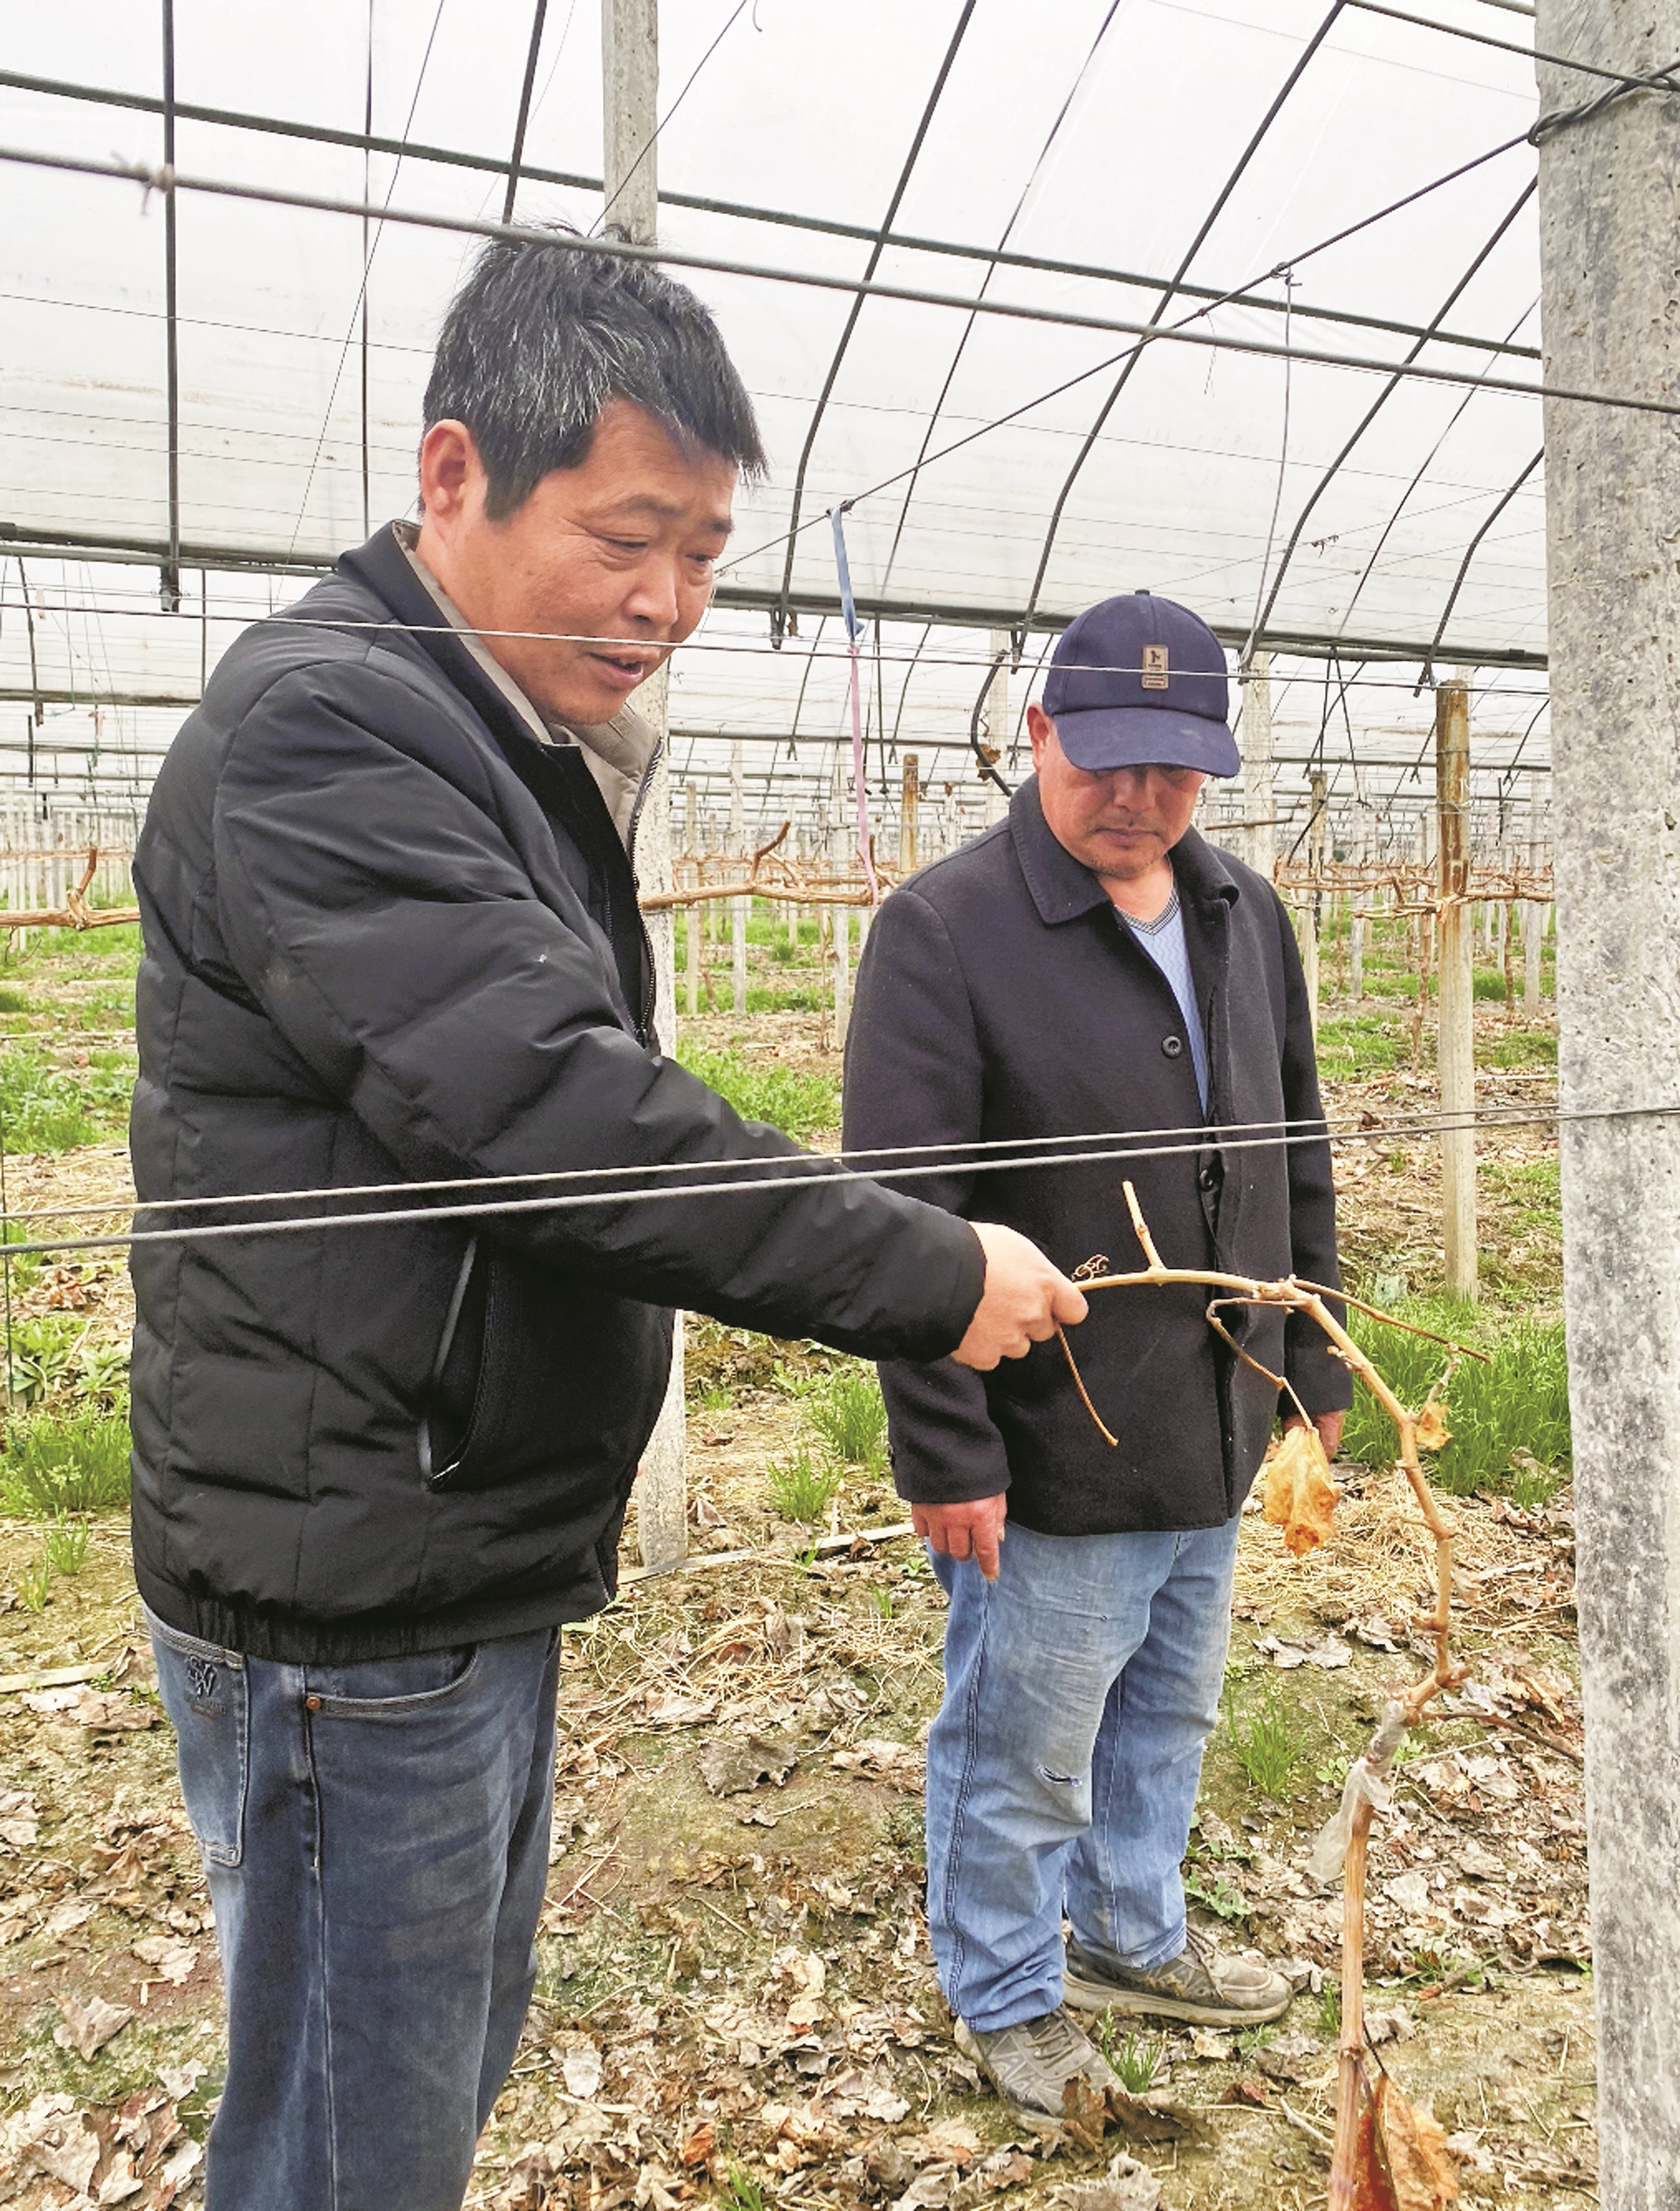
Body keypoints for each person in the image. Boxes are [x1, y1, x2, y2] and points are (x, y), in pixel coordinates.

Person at [129, 235, 1086, 2211]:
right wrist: (925, 1269)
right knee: (349, 2139)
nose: (668, 602)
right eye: (627, 538)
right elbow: (554, 1113)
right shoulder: (331, 726)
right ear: (454, 472)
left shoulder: (481, 732)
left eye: (707, 554)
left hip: (437, 1536)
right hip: (349, 1584)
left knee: (416, 2083)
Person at [844, 590, 1350, 2124]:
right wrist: (945, 1448)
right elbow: (900, 1221)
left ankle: (1132, 1929)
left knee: (1168, 1709)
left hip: (1217, 1412)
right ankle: (1004, 1988)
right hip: (1054, 1438)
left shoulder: (1242, 913)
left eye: (1172, 769)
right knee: (1026, 1737)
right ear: (1037, 729)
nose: (1136, 797)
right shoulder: (944, 931)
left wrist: (1311, 1365)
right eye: (1105, 759)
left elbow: (1293, 1148)